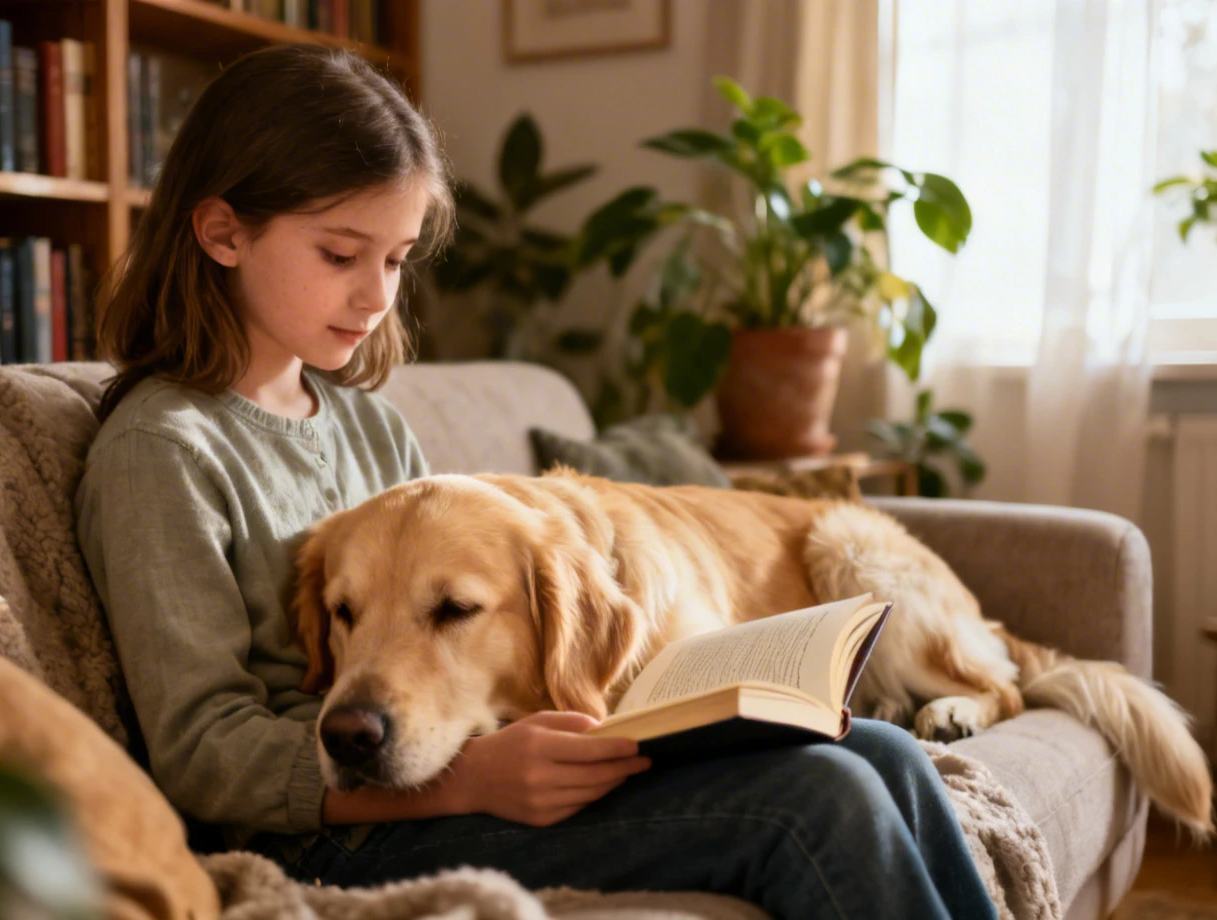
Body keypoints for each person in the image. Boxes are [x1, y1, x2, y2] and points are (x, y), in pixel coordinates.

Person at [75, 43, 998, 920]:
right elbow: (198, 750)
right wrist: (475, 779)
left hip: (449, 771)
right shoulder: (163, 450)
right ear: (222, 232)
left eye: (396, 260)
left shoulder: (368, 422)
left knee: (877, 749)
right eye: (340, 254)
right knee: (818, 799)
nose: (377, 296)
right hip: (333, 832)